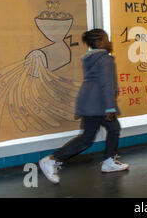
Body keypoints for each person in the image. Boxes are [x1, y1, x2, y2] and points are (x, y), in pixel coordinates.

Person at [39, 28, 129, 184]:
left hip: (90, 102)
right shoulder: (105, 59)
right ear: (99, 42)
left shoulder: (91, 59)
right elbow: (107, 84)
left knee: (108, 131)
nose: (110, 42)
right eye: (106, 39)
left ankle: (108, 161)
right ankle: (53, 159)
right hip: (98, 104)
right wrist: (110, 108)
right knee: (92, 137)